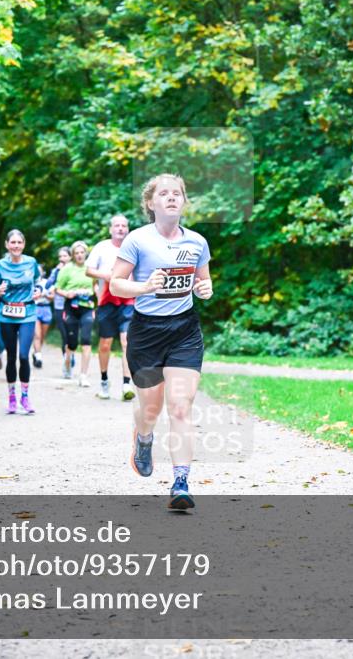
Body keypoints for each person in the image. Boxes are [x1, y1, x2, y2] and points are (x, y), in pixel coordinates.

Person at [109, 174, 213, 511]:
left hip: (184, 331)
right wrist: (144, 288)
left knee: (181, 406)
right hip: (146, 333)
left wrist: (205, 289)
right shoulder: (137, 241)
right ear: (151, 203)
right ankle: (143, 438)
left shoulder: (197, 242)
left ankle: (181, 480)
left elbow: (204, 281)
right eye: (163, 194)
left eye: (177, 193)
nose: (171, 198)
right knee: (151, 409)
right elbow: (115, 285)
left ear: (183, 202)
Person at [0, 230, 41, 414]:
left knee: (24, 356)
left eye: (19, 242)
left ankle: (25, 397)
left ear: (24, 244)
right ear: (7, 245)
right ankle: (11, 397)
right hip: (6, 313)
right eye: (13, 242)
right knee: (11, 356)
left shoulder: (31, 262)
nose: (16, 245)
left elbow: (37, 280)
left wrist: (39, 290)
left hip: (27, 312)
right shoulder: (0, 265)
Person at [86, 215, 136, 401]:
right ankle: (104, 382)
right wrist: (106, 275)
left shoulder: (133, 247)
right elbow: (88, 270)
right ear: (111, 229)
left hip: (128, 301)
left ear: (128, 229)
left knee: (126, 342)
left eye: (124, 225)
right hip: (106, 302)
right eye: (117, 225)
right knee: (105, 344)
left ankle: (126, 384)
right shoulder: (102, 247)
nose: (121, 228)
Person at [53, 240, 96, 387]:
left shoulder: (91, 268)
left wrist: (97, 295)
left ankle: (83, 375)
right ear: (72, 255)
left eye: (81, 252)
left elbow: (96, 285)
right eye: (76, 253)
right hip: (71, 308)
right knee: (72, 343)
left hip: (87, 307)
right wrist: (67, 293)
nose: (79, 255)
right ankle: (67, 363)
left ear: (86, 254)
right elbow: (57, 288)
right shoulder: (67, 269)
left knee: (86, 340)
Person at [48, 246, 75, 378]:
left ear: (70, 257)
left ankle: (71, 356)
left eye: (65, 256)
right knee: (64, 336)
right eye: (60, 256)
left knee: (72, 336)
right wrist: (57, 271)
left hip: (74, 307)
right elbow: (48, 285)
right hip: (59, 307)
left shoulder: (76, 270)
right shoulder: (56, 270)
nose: (62, 259)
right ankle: (67, 363)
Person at [32, 264, 52, 369]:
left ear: (42, 272)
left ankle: (36, 353)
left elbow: (52, 297)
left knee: (42, 336)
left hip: (46, 309)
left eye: (39, 270)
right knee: (37, 336)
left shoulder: (46, 283)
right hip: (34, 309)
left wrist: (45, 295)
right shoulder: (30, 282)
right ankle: (39, 357)